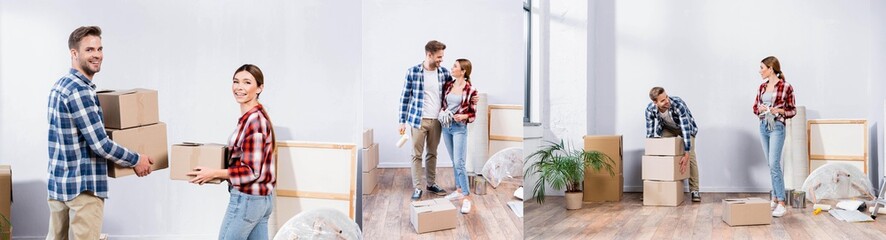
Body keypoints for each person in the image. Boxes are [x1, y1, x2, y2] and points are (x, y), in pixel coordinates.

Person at [46, 26, 155, 240]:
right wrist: (136, 159)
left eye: (99, 48)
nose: (97, 55)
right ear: (74, 53)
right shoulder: (80, 91)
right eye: (89, 50)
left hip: (60, 185)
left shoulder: (60, 85)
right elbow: (100, 144)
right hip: (83, 189)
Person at [189, 64, 277, 239]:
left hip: (248, 199)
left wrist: (214, 173)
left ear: (260, 87)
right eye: (236, 82)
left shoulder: (254, 122)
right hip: (261, 199)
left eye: (247, 82)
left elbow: (251, 171)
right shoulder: (252, 118)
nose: (239, 87)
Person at [399, 40, 452, 199]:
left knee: (432, 153)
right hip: (418, 120)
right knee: (416, 154)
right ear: (429, 54)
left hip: (437, 120)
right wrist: (401, 120)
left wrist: (472, 97)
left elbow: (455, 91)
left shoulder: (444, 73)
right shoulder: (413, 72)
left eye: (441, 57)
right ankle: (417, 187)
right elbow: (405, 97)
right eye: (439, 57)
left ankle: (431, 183)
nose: (441, 60)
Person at [753, 56, 796, 217]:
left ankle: (782, 202)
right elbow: (755, 107)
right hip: (763, 126)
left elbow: (792, 110)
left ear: (771, 69)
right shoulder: (762, 87)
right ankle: (775, 197)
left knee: (774, 163)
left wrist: (777, 110)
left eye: (762, 68)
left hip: (777, 126)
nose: (760, 71)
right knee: (771, 165)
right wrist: (761, 108)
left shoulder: (786, 87)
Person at [645, 87, 700, 202]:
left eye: (666, 97)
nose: (667, 101)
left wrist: (686, 152)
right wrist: (651, 154)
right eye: (662, 100)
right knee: (663, 155)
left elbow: (685, 129)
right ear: (655, 102)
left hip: (686, 129)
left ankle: (695, 190)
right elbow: (650, 133)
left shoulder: (678, 104)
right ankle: (656, 189)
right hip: (668, 129)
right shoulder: (650, 110)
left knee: (690, 157)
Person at [439, 59, 479, 214]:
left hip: (459, 128)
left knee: (459, 162)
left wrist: (463, 117)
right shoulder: (448, 85)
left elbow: (473, 114)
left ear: (463, 71)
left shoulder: (471, 90)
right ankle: (458, 190)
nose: (452, 68)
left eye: (455, 66)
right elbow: (444, 105)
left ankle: (467, 198)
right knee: (454, 162)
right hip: (446, 127)